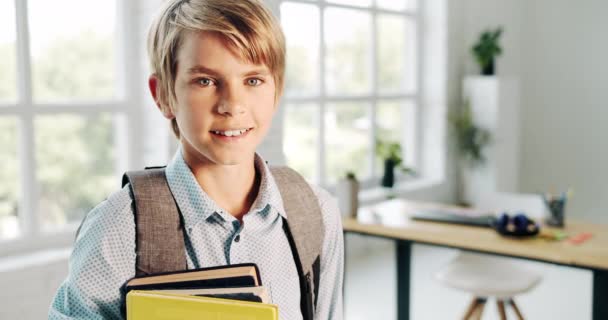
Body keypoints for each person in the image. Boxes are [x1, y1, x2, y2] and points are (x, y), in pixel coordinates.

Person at [48, 0, 344, 319]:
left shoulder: (316, 211)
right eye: (205, 81)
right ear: (163, 94)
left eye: (253, 80)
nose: (232, 104)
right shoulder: (119, 227)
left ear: (277, 89)